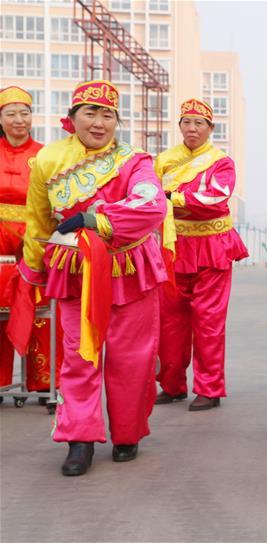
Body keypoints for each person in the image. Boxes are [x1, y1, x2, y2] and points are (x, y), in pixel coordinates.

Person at [19, 80, 167, 475]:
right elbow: (38, 220)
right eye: (90, 113)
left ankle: (127, 433)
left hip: (128, 268)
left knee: (131, 358)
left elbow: (152, 206)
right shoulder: (48, 160)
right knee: (78, 356)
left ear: (117, 121)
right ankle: (79, 438)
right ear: (71, 119)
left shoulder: (136, 161)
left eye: (108, 115)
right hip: (75, 271)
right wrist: (34, 271)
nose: (99, 122)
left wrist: (96, 220)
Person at [154, 98, 248, 411]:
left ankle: (209, 388)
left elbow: (216, 197)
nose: (192, 128)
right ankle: (172, 384)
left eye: (199, 123)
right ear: (179, 125)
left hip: (212, 246)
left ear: (211, 128)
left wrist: (173, 196)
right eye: (187, 122)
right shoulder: (164, 160)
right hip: (174, 244)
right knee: (170, 320)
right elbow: (151, 198)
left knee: (208, 320)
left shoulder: (221, 162)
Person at [0, 86, 63, 399]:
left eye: (24, 113)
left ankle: (44, 380)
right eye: (11, 114)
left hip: (34, 234)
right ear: (1, 119)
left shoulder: (45, 154)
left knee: (42, 304)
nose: (19, 120)